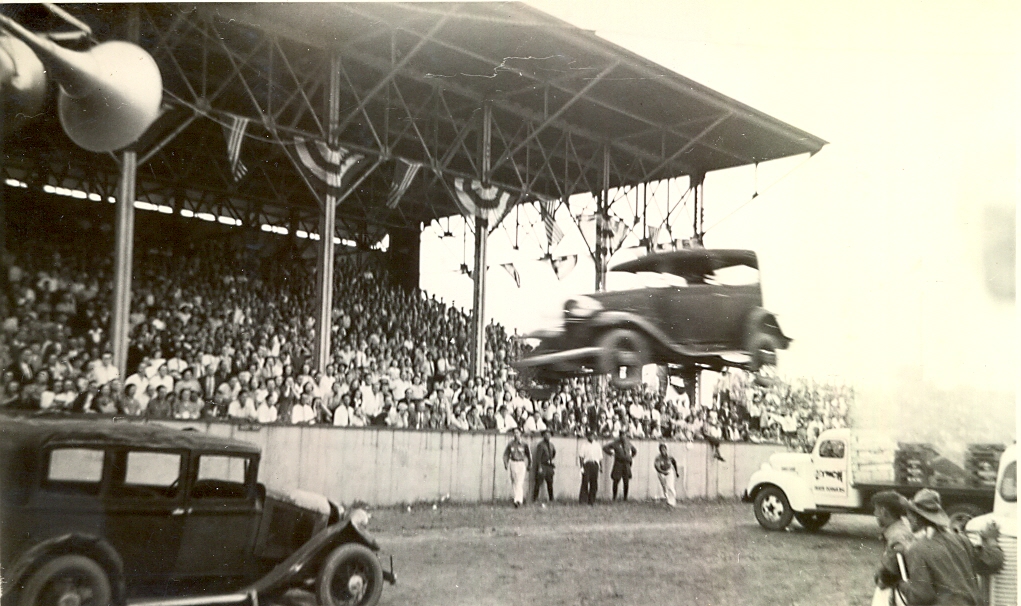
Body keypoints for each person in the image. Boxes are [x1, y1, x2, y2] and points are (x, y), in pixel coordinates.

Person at [895, 488, 1003, 605]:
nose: (907, 518)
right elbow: (993, 562)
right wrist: (991, 540)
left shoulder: (917, 549)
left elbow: (921, 596)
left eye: (909, 514)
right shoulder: (961, 539)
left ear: (916, 517)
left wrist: (901, 584)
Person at [870, 490, 914, 606]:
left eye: (876, 510)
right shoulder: (903, 527)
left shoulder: (896, 536)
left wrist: (881, 578)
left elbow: (886, 577)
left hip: (898, 591)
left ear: (883, 511)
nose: (875, 513)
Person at [603, 429, 637, 501]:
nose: (623, 437)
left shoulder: (628, 443)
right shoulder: (615, 443)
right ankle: (614, 497)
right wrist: (612, 453)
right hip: (618, 463)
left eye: (624, 435)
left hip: (626, 463)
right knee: (616, 480)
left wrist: (630, 457)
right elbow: (605, 448)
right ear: (620, 436)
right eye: (622, 435)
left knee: (626, 481)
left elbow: (634, 450)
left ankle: (625, 498)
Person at [502, 428, 531, 508]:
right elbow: (506, 454)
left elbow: (529, 455)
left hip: (521, 463)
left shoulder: (524, 444)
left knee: (520, 481)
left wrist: (529, 464)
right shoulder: (510, 444)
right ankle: (516, 498)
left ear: (520, 434)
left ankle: (518, 500)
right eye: (514, 433)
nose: (516, 434)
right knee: (514, 481)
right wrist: (506, 463)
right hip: (513, 462)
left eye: (517, 433)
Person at [578, 431, 603, 505]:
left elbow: (600, 457)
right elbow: (581, 457)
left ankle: (592, 500)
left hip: (595, 464)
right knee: (585, 482)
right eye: (589, 436)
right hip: (587, 464)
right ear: (587, 437)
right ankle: (583, 500)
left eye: (592, 435)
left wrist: (600, 466)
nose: (591, 437)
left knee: (594, 483)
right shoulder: (584, 445)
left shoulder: (597, 445)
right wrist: (582, 467)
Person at [532, 429, 556, 503]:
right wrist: (539, 467)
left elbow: (554, 453)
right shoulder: (541, 445)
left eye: (549, 434)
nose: (548, 436)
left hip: (549, 466)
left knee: (550, 483)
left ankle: (551, 499)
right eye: (546, 434)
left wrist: (551, 461)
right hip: (542, 465)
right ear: (543, 436)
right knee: (538, 483)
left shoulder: (552, 445)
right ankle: (535, 499)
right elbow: (538, 457)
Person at [654, 443, 680, 507]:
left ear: (666, 450)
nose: (663, 451)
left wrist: (676, 472)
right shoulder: (658, 458)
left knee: (670, 486)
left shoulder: (670, 457)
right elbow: (657, 467)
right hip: (661, 473)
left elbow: (674, 463)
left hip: (669, 471)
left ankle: (672, 502)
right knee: (664, 487)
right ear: (660, 451)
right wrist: (662, 472)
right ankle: (666, 498)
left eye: (664, 449)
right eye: (662, 450)